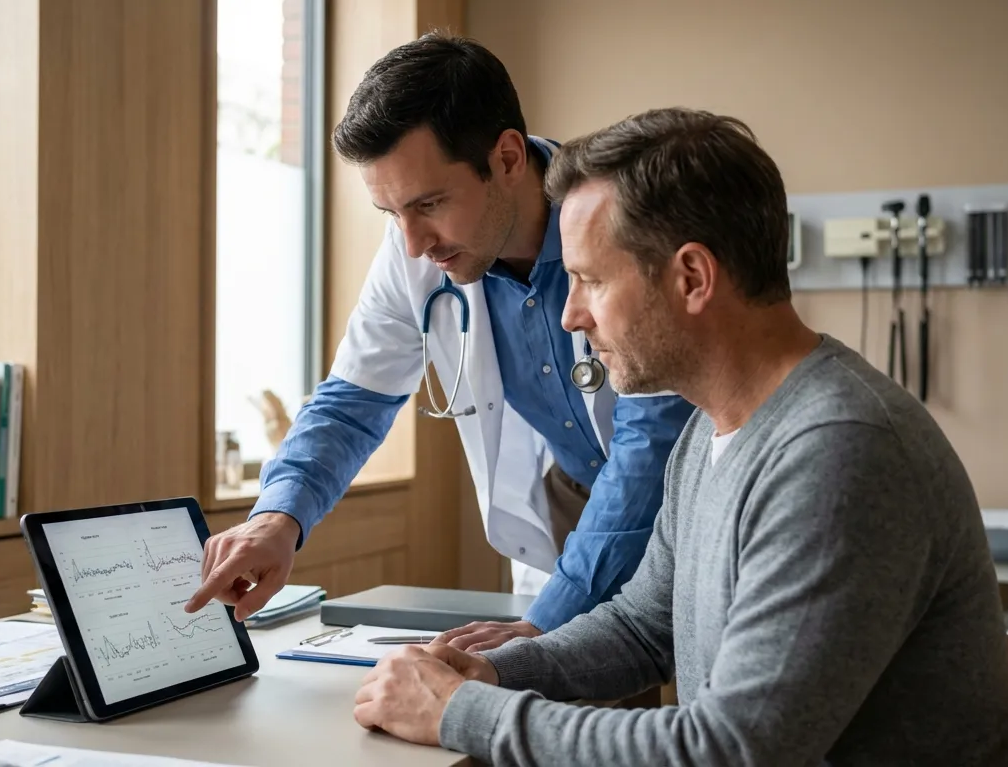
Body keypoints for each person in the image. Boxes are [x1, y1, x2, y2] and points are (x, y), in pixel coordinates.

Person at [351, 107, 1008, 766]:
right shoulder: (709, 432)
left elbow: (733, 750)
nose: (570, 314)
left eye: (588, 279)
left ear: (692, 278)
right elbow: (641, 628)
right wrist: (487, 674)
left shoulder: (840, 452)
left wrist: (459, 713)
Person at [185, 33, 694, 649]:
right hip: (572, 503)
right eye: (390, 212)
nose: (412, 242)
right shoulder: (417, 251)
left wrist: (543, 625)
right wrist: (278, 517)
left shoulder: (623, 219)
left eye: (429, 202)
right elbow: (352, 403)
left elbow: (651, 444)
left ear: (507, 158)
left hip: (679, 493)